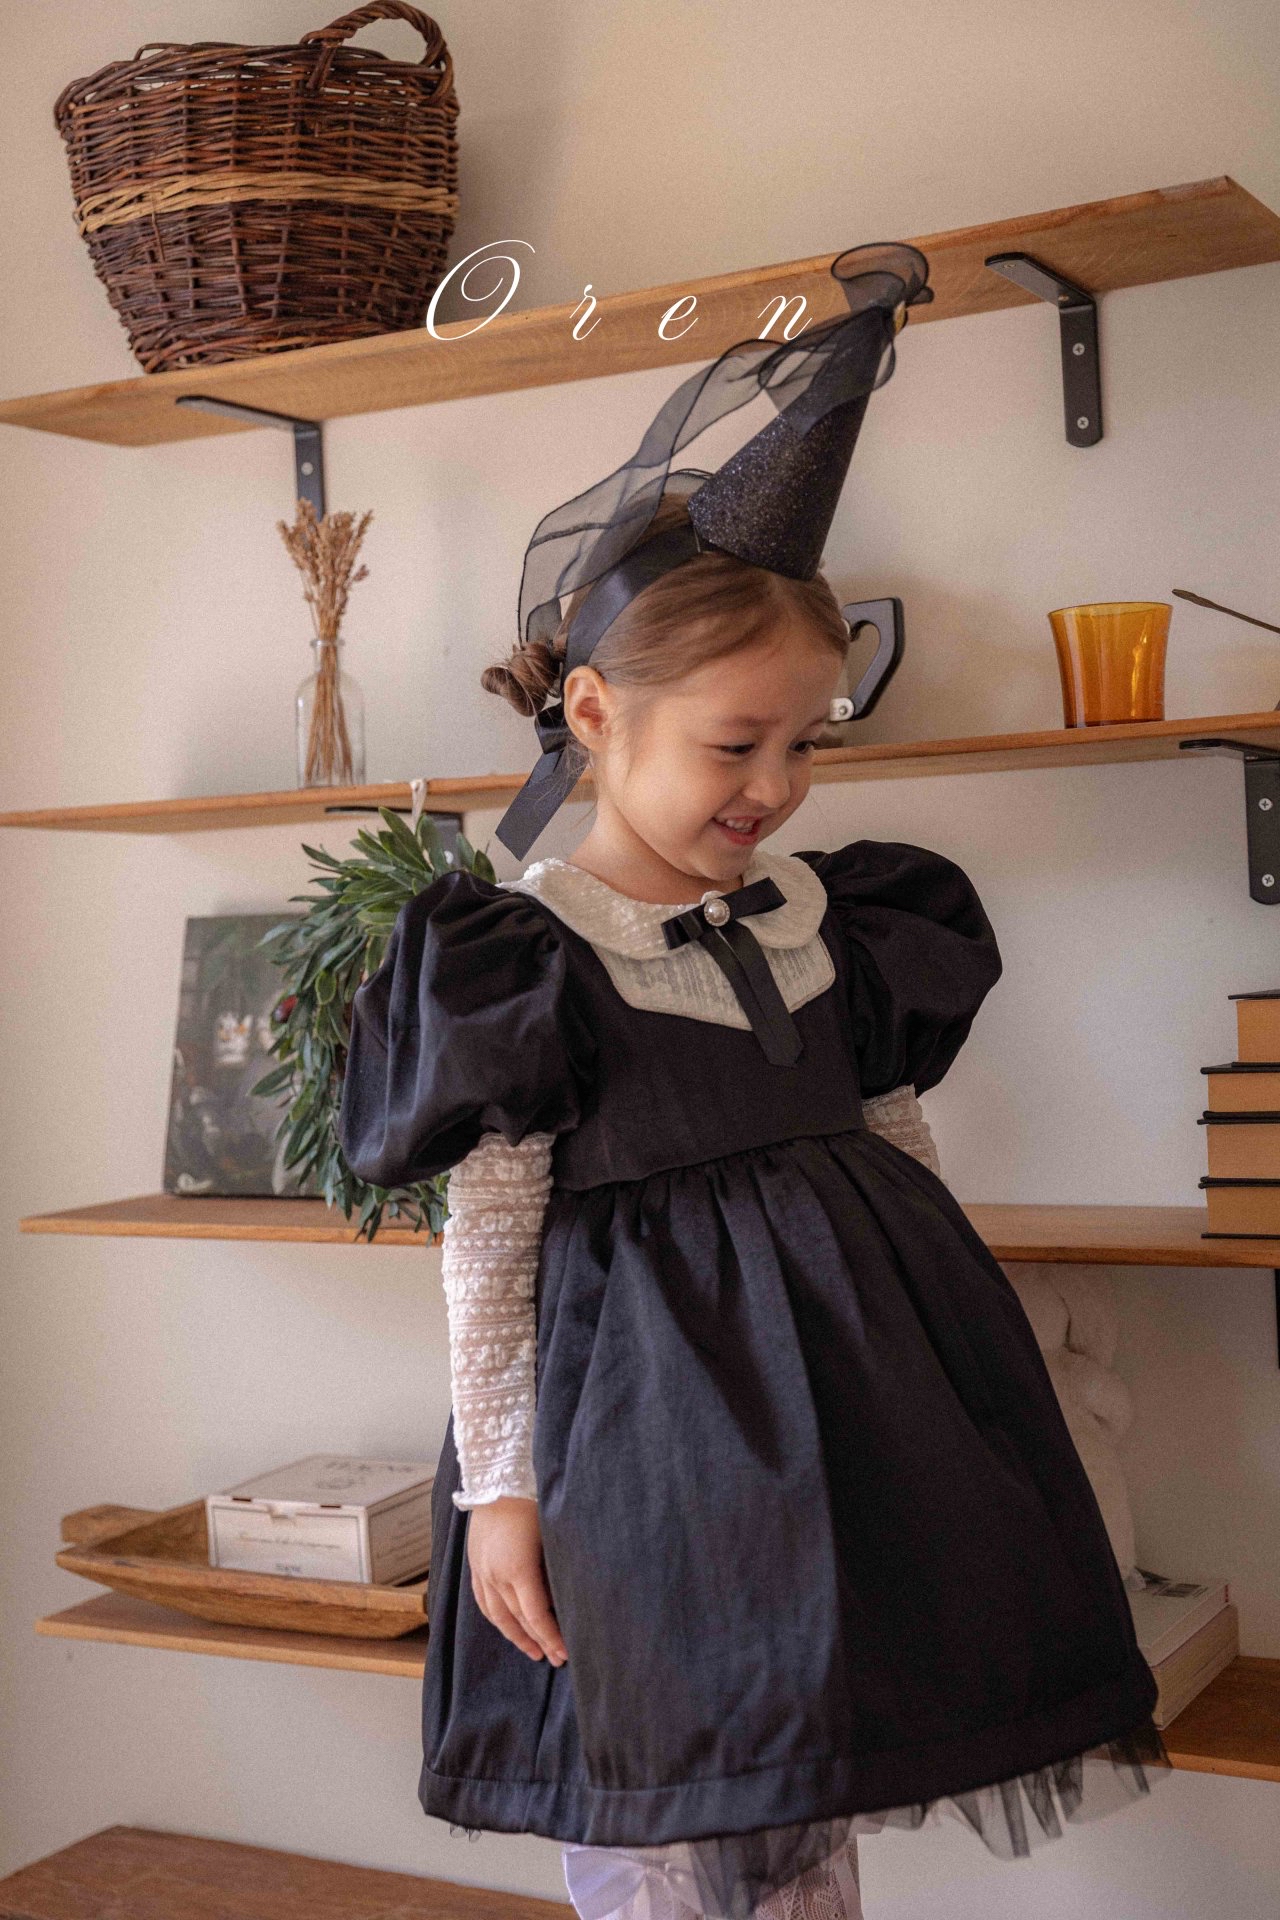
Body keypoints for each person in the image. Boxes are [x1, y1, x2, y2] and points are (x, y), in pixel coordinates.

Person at [337, 243, 1171, 1920]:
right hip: (643, 1439)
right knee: (671, 1774)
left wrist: (954, 1375)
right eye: (736, 745)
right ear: (595, 714)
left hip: (852, 1415)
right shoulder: (525, 955)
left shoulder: (832, 918)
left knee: (818, 1757)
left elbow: (891, 1134)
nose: (777, 786)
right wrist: (501, 1494)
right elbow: (488, 1244)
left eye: (807, 743)